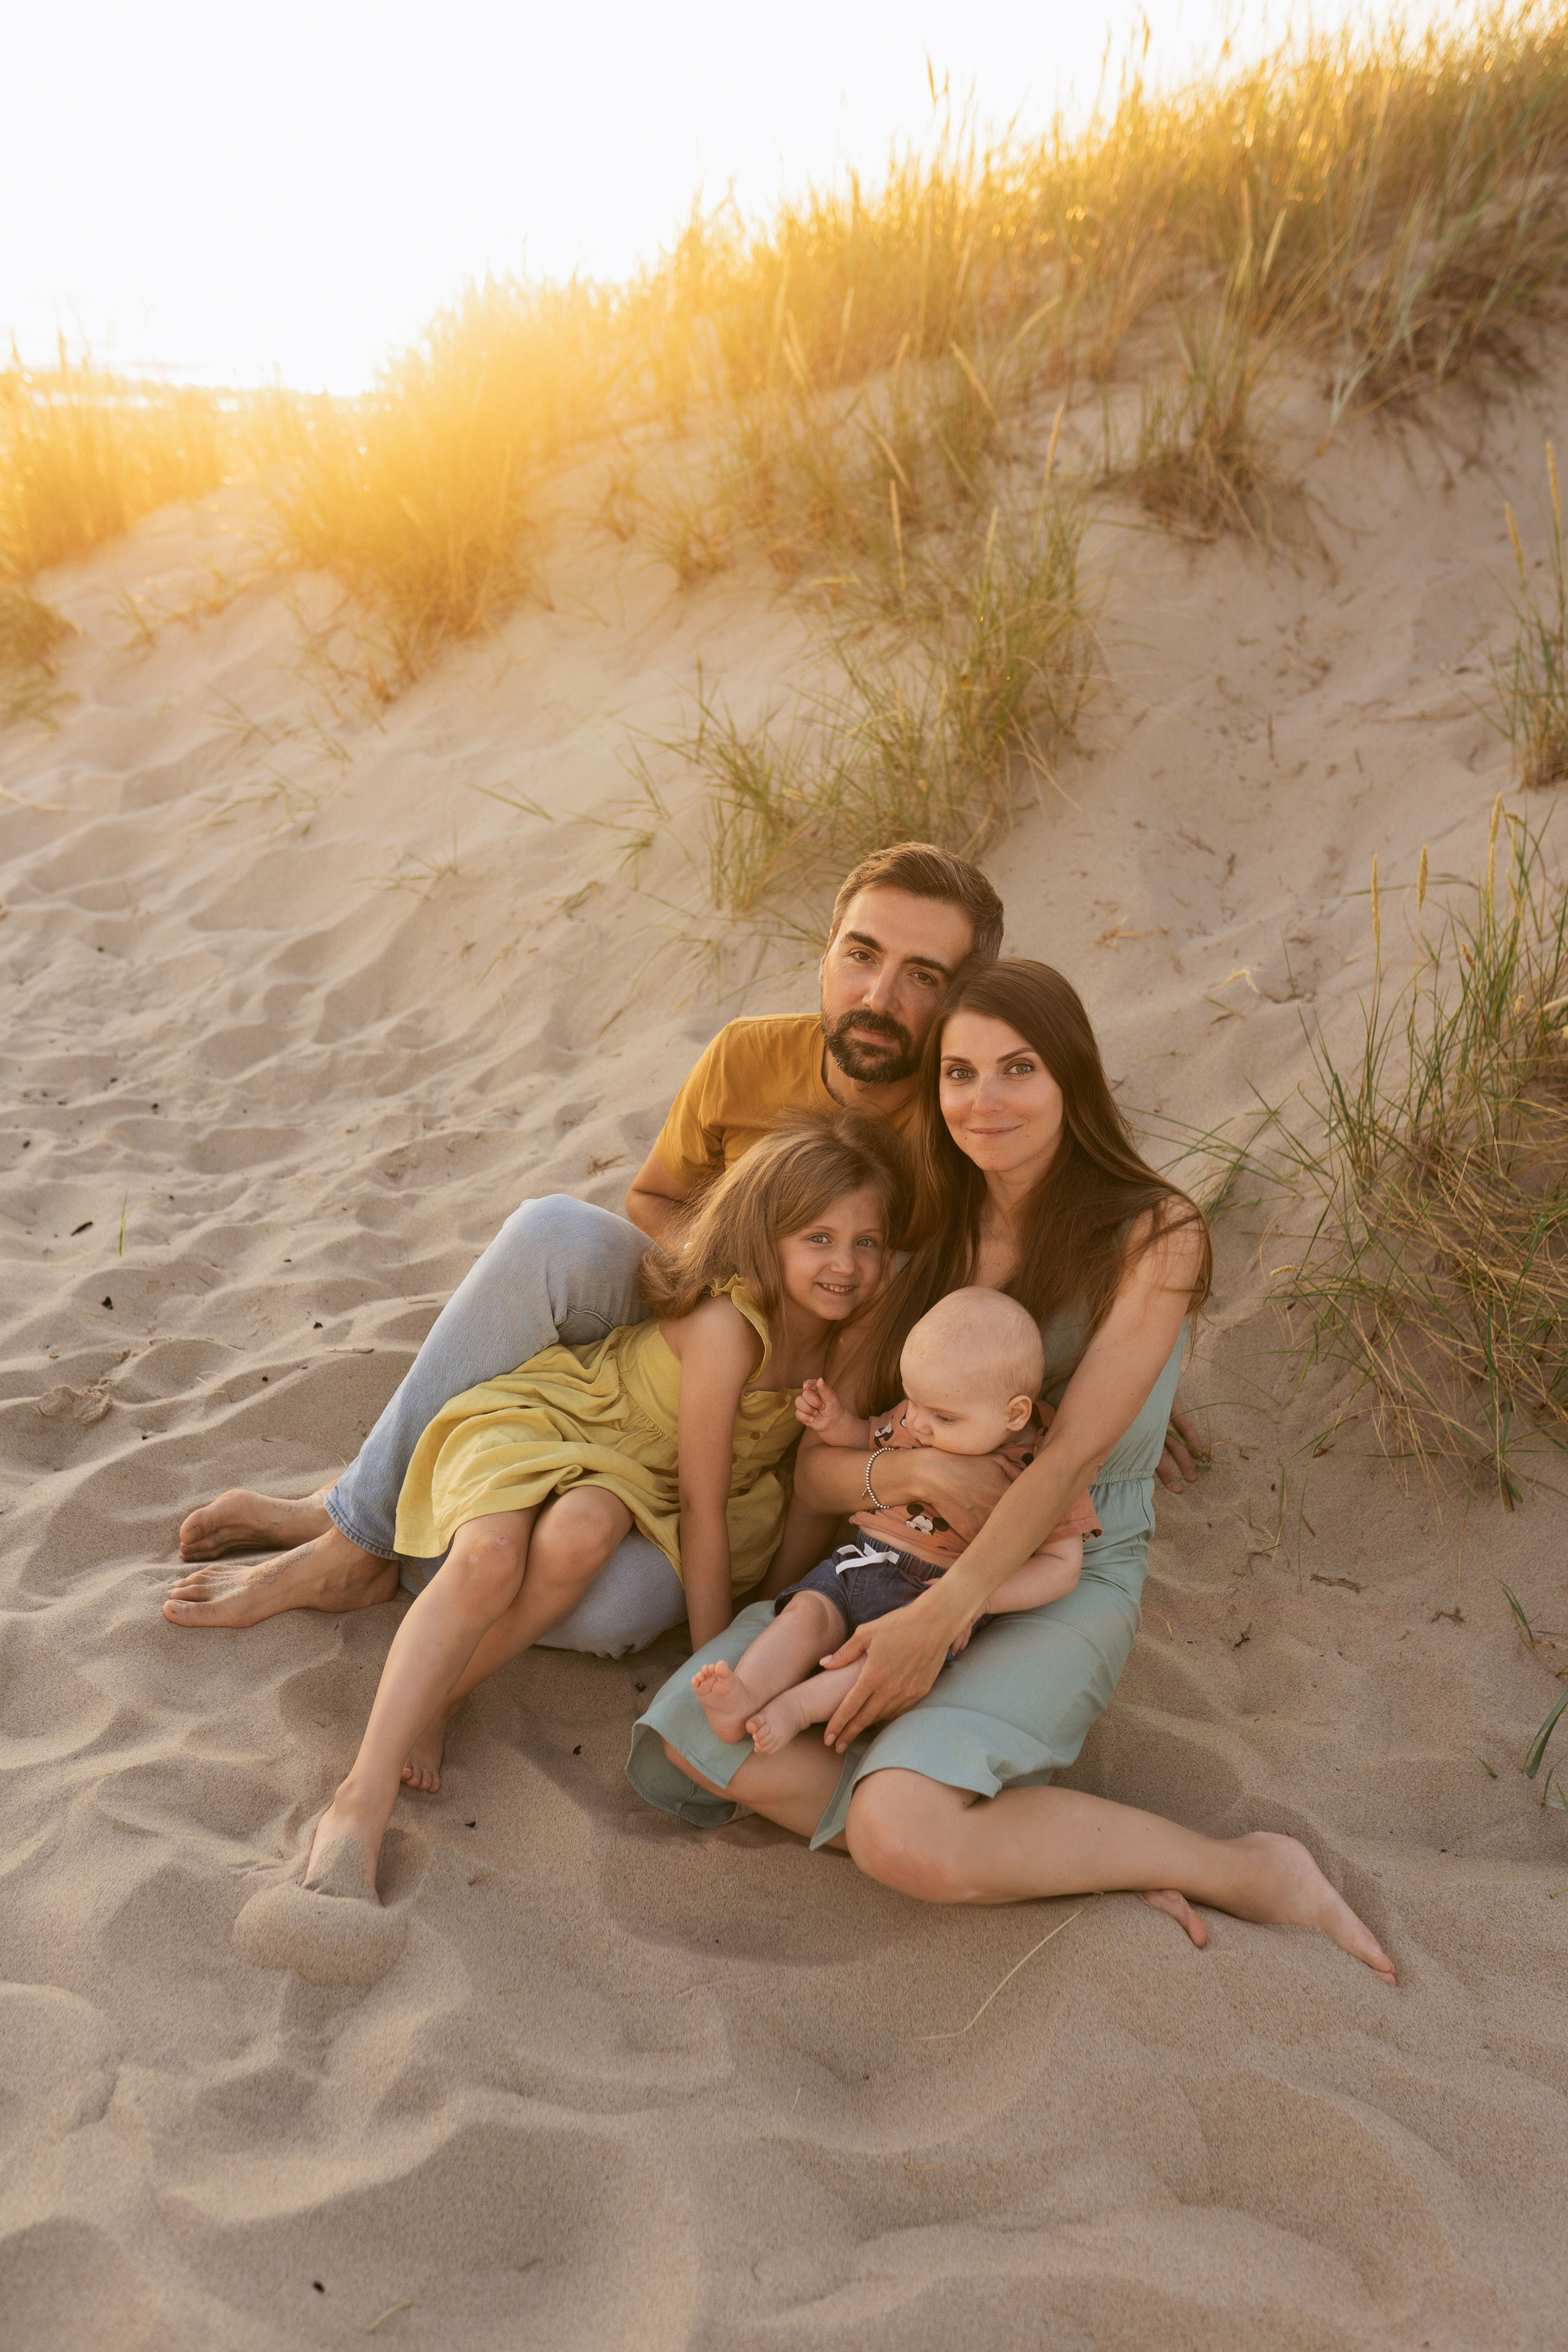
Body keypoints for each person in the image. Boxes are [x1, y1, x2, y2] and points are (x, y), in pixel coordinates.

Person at [164, 842, 1200, 1646]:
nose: (880, 998)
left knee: (615, 1617)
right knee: (551, 1232)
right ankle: (353, 1529)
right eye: (862, 955)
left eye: (923, 976)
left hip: (799, 1408)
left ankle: (396, 1525)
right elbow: (653, 1197)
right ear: (826, 954)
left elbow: (1046, 1245)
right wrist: (733, 1290)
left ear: (963, 997)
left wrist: (1135, 1390)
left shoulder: (965, 1121)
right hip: (696, 1322)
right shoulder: (748, 1056)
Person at [630, 960, 1396, 1983]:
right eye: (959, 1073)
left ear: (1071, 1076)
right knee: (691, 1735)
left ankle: (1242, 1867)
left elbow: (1071, 1455)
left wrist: (939, 1621)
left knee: (900, 1829)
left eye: (1017, 1068)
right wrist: (911, 1478)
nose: (983, 1100)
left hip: (1058, 1569)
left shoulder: (1154, 1233)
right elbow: (822, 1473)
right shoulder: (923, 1235)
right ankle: (1021, 1842)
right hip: (896, 1553)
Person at [304, 1112, 908, 1896]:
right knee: (491, 1556)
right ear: (768, 1239)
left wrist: (762, 1621)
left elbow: (802, 1496)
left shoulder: (845, 1347)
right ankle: (360, 1798)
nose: (846, 1265)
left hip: (631, 1484)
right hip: (570, 1420)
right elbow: (699, 1506)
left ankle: (445, 1694)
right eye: (818, 1239)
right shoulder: (729, 1328)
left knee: (585, 1529)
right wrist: (708, 1661)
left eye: (867, 1242)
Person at [690, 1286, 1100, 1755]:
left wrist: (976, 1599)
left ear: (1015, 1413)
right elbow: (871, 1437)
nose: (918, 1424)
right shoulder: (924, 1411)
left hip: (931, 1594)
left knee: (881, 1661)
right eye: (912, 1402)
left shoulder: (1042, 1464)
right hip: (860, 1559)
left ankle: (795, 1708)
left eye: (943, 1418)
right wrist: (836, 1423)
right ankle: (746, 1692)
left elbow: (1062, 1564)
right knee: (807, 1614)